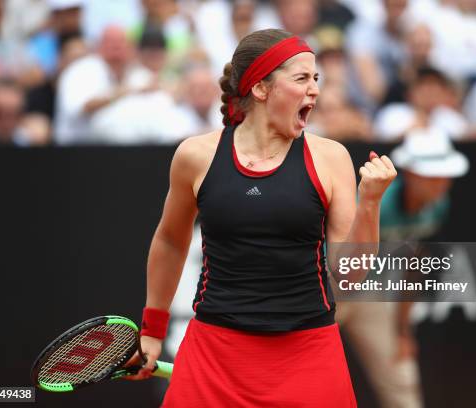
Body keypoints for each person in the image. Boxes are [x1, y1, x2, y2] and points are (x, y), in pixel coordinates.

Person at [125, 28, 397, 407]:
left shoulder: (331, 157)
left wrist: (369, 203)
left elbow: (350, 275)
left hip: (309, 354)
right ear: (260, 88)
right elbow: (170, 241)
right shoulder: (195, 156)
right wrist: (152, 332)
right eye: (301, 78)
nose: (315, 89)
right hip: (214, 354)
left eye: (315, 78)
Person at [336, 128, 469, 408]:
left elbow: (415, 264)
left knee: (402, 375)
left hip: (369, 294)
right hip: (329, 289)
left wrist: (403, 331)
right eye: (432, 174)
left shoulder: (437, 206)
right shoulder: (374, 200)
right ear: (409, 172)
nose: (441, 183)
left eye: (445, 175)